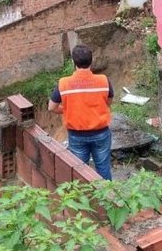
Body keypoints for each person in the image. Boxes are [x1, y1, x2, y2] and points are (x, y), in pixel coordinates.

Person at [48, 44, 113, 180]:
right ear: (91, 60)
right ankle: (107, 199)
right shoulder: (103, 80)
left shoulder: (63, 83)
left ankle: (84, 199)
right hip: (101, 133)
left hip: (77, 136)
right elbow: (108, 102)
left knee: (79, 173)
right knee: (103, 169)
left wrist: (67, 109)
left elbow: (52, 107)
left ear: (73, 62)